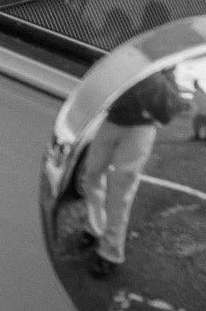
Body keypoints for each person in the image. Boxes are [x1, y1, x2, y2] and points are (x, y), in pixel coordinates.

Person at [80, 67, 184, 278]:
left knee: (121, 187)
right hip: (113, 119)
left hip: (141, 128)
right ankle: (95, 226)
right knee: (92, 173)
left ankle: (110, 251)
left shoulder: (163, 67)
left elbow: (169, 108)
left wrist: (153, 81)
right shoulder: (128, 50)